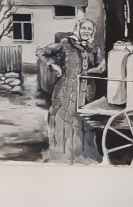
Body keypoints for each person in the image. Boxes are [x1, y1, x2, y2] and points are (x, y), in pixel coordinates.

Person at [36, 19, 106, 164]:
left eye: (89, 29)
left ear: (92, 32)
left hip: (86, 90)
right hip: (65, 88)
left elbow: (102, 66)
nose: (86, 31)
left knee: (83, 122)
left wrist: (90, 71)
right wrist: (53, 65)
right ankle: (62, 155)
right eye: (84, 28)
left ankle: (83, 155)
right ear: (78, 29)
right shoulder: (65, 44)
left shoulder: (94, 49)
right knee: (63, 119)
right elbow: (41, 52)